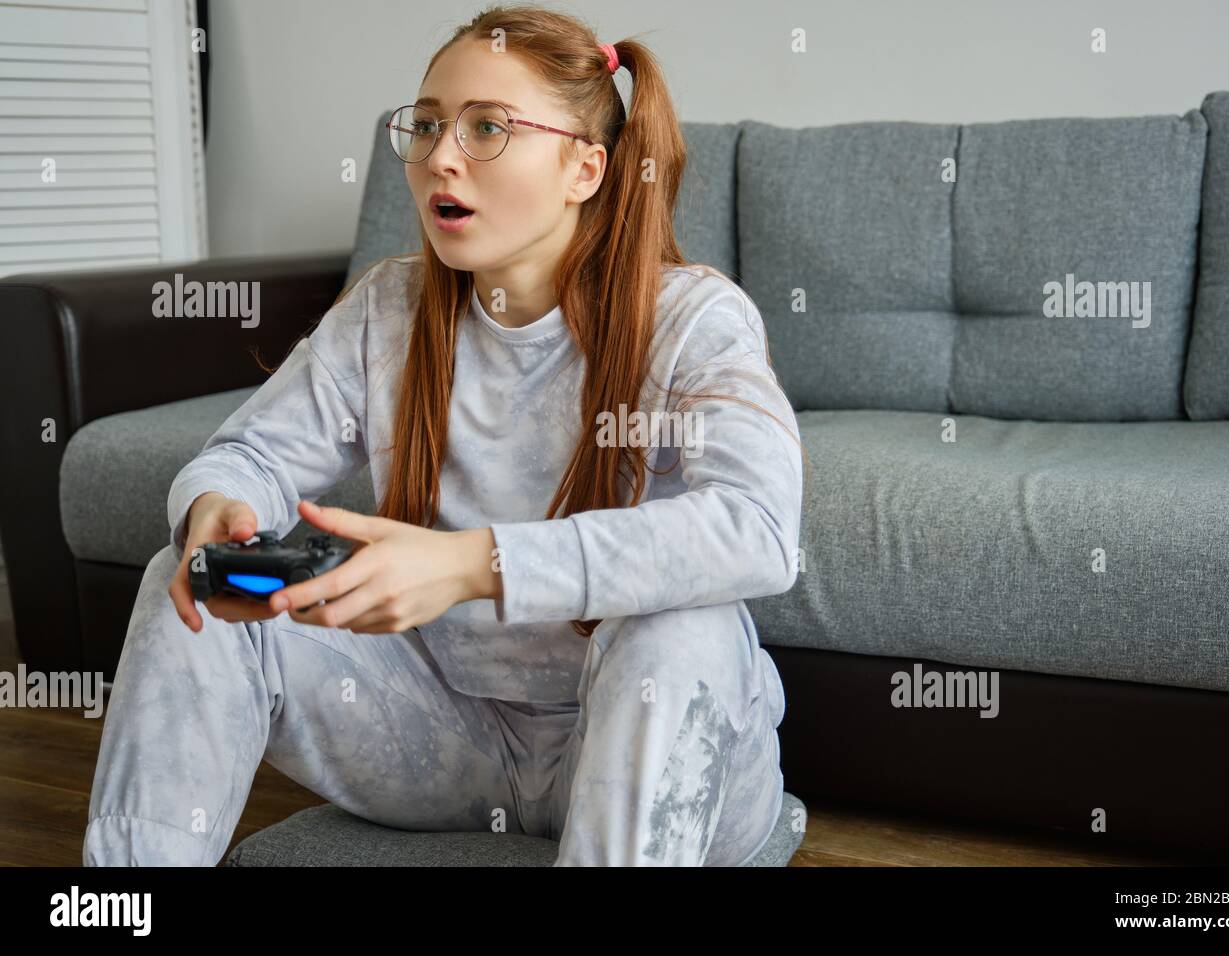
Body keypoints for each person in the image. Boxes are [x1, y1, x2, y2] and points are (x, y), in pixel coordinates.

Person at [83, 3, 802, 867]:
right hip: (451, 745)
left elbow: (757, 529)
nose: (439, 159)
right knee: (188, 577)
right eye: (425, 127)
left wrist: (472, 565)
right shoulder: (390, 307)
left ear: (584, 168)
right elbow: (252, 453)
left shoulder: (694, 319)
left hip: (661, 755)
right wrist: (218, 504)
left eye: (488, 128)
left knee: (680, 623)